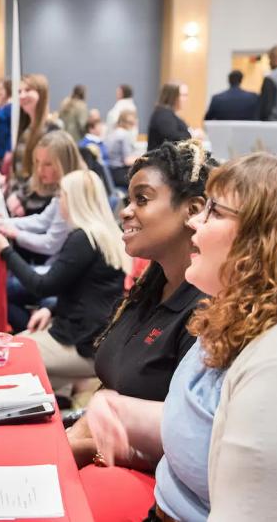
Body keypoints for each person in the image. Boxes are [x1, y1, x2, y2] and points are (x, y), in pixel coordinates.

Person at [83, 152, 277, 522]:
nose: (194, 222)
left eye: (213, 211)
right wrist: (124, 414)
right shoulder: (234, 316)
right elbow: (209, 431)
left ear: (263, 239)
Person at [66, 140, 215, 469]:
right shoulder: (150, 287)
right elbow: (113, 387)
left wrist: (78, 448)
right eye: (129, 199)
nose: (125, 211)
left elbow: (186, 443)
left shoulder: (205, 311)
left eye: (142, 200)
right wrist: (78, 432)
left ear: (193, 210)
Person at [0, 169, 129, 397]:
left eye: (61, 196)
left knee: (6, 358)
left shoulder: (83, 239)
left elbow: (43, 286)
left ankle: (69, 394)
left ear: (73, 200)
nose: (58, 202)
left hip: (82, 342)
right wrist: (50, 308)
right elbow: (89, 289)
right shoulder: (104, 235)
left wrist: (5, 252)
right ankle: (66, 397)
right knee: (27, 373)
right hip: (92, 336)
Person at [0, 131, 88, 331]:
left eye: (48, 164)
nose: (40, 170)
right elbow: (41, 221)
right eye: (38, 162)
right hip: (57, 271)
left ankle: (34, 331)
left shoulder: (72, 191)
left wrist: (12, 234)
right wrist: (5, 224)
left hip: (60, 276)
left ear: (63, 163)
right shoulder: (65, 188)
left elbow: (50, 244)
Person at [6, 73, 61, 217]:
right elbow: (19, 170)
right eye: (19, 92)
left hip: (40, 205)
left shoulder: (52, 130)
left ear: (41, 93)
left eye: (28, 90)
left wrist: (20, 198)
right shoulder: (26, 129)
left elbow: (44, 173)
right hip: (22, 203)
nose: (22, 95)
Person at [147, 82, 191, 150]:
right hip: (161, 159)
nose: (186, 99)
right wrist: (192, 134)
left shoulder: (168, 114)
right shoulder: (163, 115)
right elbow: (173, 138)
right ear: (172, 96)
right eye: (183, 95)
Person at [105, 109, 139, 188]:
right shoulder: (124, 135)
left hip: (111, 172)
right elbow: (127, 160)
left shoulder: (112, 133)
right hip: (120, 173)